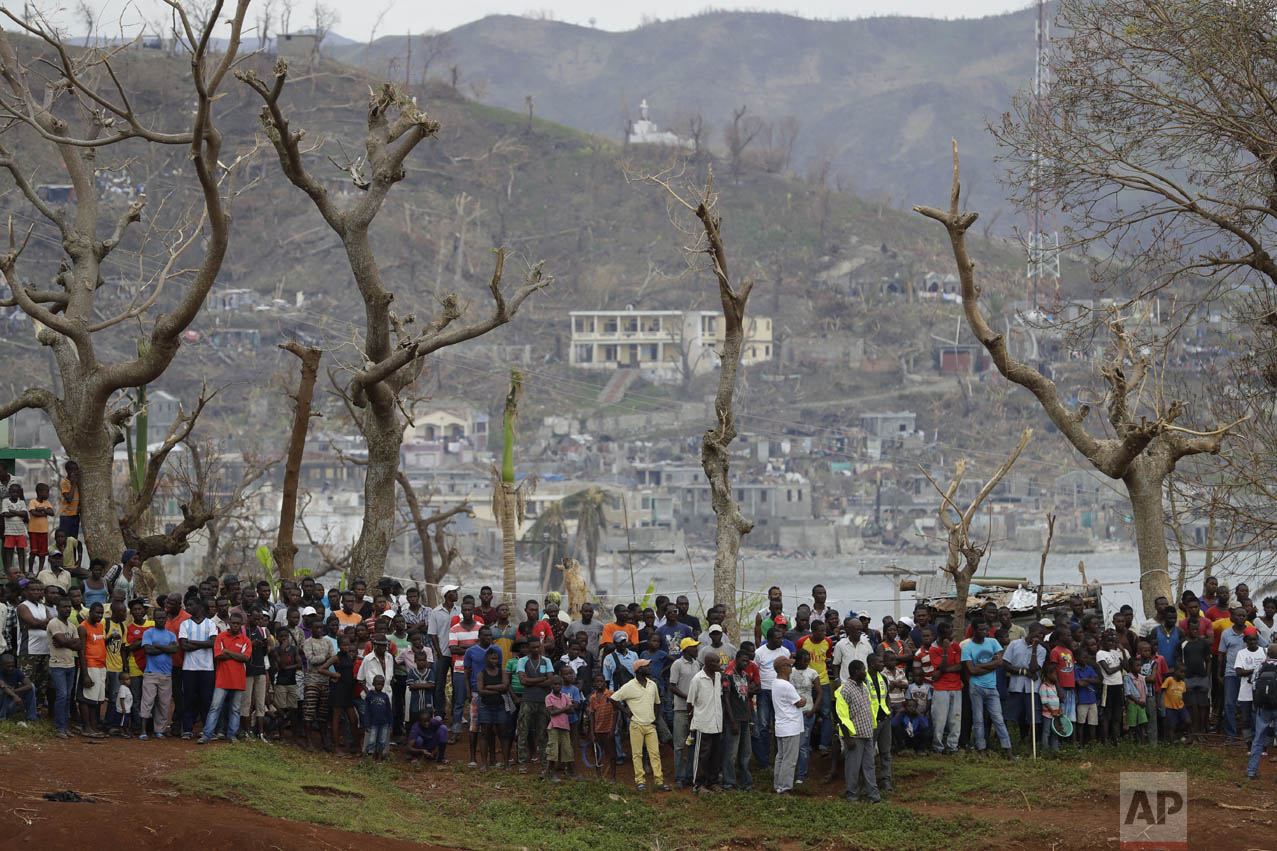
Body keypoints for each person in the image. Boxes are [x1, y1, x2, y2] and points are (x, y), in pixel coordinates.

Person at [611, 657, 668, 791]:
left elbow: (657, 703)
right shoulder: (630, 686)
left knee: (655, 753)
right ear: (638, 670)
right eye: (646, 666)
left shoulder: (652, 684)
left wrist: (655, 718)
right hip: (636, 725)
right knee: (637, 754)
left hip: (650, 725)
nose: (649, 668)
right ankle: (640, 781)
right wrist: (626, 712)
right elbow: (613, 699)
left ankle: (659, 781)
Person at [962, 620, 1013, 759]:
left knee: (998, 719)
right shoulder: (967, 648)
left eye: (986, 630)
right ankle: (981, 750)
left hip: (992, 687)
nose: (985, 632)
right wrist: (992, 664)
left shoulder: (993, 642)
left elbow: (1000, 662)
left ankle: (1008, 751)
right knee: (978, 720)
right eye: (982, 630)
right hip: (976, 687)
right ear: (974, 631)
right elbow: (971, 670)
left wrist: (980, 667)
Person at [198, 611, 251, 745]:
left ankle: (232, 735)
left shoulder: (245, 640)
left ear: (241, 625)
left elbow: (245, 658)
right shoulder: (221, 637)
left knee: (235, 709)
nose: (235, 626)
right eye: (233, 623)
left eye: (238, 624)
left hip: (238, 680)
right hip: (222, 679)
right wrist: (236, 655)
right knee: (215, 707)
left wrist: (227, 651)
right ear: (228, 623)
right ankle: (207, 735)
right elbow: (218, 656)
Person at [835, 659, 883, 804]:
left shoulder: (864, 686)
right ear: (857, 672)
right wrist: (847, 738)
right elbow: (842, 716)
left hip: (867, 732)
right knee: (853, 767)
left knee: (869, 766)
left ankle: (873, 797)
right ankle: (852, 796)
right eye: (863, 669)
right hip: (854, 736)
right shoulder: (845, 690)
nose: (866, 672)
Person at [752, 626, 794, 767]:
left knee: (779, 724)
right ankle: (764, 761)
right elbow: (755, 671)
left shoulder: (785, 652)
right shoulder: (759, 652)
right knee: (763, 725)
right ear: (769, 639)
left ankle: (778, 758)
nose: (781, 640)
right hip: (764, 691)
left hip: (780, 692)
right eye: (777, 638)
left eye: (782, 637)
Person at [177, 598, 217, 739]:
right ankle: (187, 729)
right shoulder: (185, 624)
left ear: (199, 606)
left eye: (190, 605)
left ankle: (207, 730)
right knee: (188, 700)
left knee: (206, 700)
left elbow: (213, 643)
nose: (188, 607)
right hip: (189, 668)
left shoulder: (210, 624)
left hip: (207, 668)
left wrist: (192, 642)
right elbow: (183, 646)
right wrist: (203, 643)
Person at [686, 652, 723, 793]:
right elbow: (690, 703)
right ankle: (698, 784)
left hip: (717, 723)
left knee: (715, 755)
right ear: (708, 664)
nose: (719, 665)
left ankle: (712, 782)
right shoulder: (697, 679)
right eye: (716, 662)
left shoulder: (718, 676)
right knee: (702, 755)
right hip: (703, 723)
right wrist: (692, 724)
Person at [516, 637, 554, 772]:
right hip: (527, 700)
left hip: (543, 701)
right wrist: (540, 679)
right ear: (528, 648)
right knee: (523, 731)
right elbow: (522, 681)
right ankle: (522, 764)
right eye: (533, 647)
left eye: (538, 647)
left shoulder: (546, 660)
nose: (536, 650)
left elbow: (550, 681)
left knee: (543, 733)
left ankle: (544, 764)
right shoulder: (522, 661)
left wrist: (531, 681)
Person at [139, 609, 177, 741]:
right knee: (147, 702)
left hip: (166, 674)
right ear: (154, 618)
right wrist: (165, 648)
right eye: (158, 618)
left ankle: (159, 730)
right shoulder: (148, 633)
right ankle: (143, 730)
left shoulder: (171, 635)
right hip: (151, 673)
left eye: (163, 618)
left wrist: (157, 646)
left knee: (164, 703)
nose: (160, 620)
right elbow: (148, 650)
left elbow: (174, 649)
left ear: (166, 618)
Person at [667, 635, 701, 788]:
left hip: (696, 710)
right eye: (694, 647)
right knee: (680, 745)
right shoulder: (677, 664)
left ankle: (690, 775)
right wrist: (688, 697)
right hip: (681, 709)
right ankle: (679, 777)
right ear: (687, 649)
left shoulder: (697, 665)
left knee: (693, 744)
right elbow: (672, 686)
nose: (697, 649)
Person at [722, 648, 757, 792]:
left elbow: (747, 700)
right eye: (743, 660)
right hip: (733, 720)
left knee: (746, 752)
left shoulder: (745, 676)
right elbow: (726, 699)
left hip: (745, 718)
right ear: (736, 660)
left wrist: (750, 721)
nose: (745, 663)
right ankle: (729, 783)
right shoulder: (727, 676)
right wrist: (732, 720)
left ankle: (746, 783)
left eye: (747, 661)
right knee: (731, 753)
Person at [770, 655, 805, 795]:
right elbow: (800, 702)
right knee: (789, 760)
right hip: (791, 726)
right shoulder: (786, 685)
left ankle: (778, 785)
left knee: (781, 757)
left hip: (782, 725)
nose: (791, 668)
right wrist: (803, 699)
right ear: (783, 668)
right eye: (789, 665)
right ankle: (785, 788)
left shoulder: (775, 683)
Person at [47, 597, 78, 739]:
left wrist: (65, 642)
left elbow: (79, 645)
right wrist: (68, 642)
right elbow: (64, 641)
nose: (67, 609)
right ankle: (60, 727)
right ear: (57, 608)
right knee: (62, 696)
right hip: (57, 665)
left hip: (70, 664)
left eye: (69, 606)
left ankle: (64, 726)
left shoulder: (71, 626)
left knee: (67, 698)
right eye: (64, 607)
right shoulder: (54, 623)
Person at [76, 601, 107, 738]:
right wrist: (85, 674)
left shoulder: (100, 626)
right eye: (97, 612)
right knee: (86, 699)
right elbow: (81, 651)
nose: (99, 615)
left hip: (101, 666)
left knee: (96, 700)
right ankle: (86, 727)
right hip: (90, 665)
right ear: (90, 613)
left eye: (101, 613)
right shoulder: (83, 627)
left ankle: (94, 727)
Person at [791, 647, 821, 783]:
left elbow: (819, 692)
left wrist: (814, 709)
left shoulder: (812, 673)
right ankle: (790, 771)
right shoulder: (790, 672)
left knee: (803, 745)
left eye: (808, 661)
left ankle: (801, 775)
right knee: (791, 744)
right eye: (804, 661)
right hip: (792, 713)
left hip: (807, 712)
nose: (807, 663)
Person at [475, 647, 509, 770]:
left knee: (503, 734)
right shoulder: (481, 673)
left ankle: (506, 763)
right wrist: (497, 690)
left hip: (500, 707)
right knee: (485, 733)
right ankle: (484, 763)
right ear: (486, 659)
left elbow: (505, 686)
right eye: (492, 658)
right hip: (486, 707)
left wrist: (489, 687)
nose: (494, 661)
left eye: (496, 658)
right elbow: (480, 691)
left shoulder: (503, 672)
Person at [1247, 645, 1277, 779]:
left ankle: (1251, 771)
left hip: (1263, 707)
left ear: (1267, 654)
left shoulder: (1260, 666)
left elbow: (1253, 684)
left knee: (1258, 739)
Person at [241, 610, 272, 741]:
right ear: (249, 616)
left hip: (260, 669)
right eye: (256, 619)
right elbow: (239, 648)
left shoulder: (262, 630)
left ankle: (260, 733)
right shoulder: (242, 630)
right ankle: (246, 731)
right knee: (246, 702)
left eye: (260, 619)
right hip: (247, 670)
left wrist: (265, 645)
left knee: (260, 701)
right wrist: (250, 644)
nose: (258, 622)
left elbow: (267, 650)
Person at [1180, 619, 1211, 742]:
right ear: (1188, 629)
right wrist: (1182, 676)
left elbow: (1208, 660)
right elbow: (1179, 661)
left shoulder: (1204, 643)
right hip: (1188, 679)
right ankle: (1191, 732)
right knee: (1190, 706)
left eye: (1197, 629)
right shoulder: (1182, 644)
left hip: (1202, 678)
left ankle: (1202, 731)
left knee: (1203, 705)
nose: (1195, 631)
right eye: (1192, 629)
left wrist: (1207, 676)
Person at [271, 625, 303, 744]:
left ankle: (294, 736)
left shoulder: (294, 649)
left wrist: (287, 667)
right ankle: (281, 735)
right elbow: (282, 665)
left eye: (286, 636)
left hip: (292, 683)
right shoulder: (276, 651)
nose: (284, 639)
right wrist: (284, 652)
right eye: (281, 637)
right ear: (277, 638)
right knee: (281, 710)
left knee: (293, 710)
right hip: (280, 683)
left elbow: (299, 665)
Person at [1235, 627, 1267, 743]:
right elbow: (1238, 672)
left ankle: (1260, 742)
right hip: (1246, 693)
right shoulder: (1241, 653)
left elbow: (1269, 670)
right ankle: (1249, 742)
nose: (1253, 642)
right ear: (1245, 641)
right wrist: (1256, 670)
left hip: (1261, 693)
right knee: (1246, 719)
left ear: (1258, 639)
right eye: (1250, 640)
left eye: (1254, 640)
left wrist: (1249, 671)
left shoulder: (1264, 651)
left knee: (1260, 718)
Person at [1096, 630, 1127, 744]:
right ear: (1103, 641)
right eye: (1108, 641)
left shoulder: (1115, 652)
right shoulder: (1100, 653)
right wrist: (1120, 666)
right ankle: (1105, 739)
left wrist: (1122, 651)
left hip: (1119, 686)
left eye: (1112, 641)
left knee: (1117, 714)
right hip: (1108, 686)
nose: (1111, 643)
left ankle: (1116, 739)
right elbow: (1108, 671)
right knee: (1107, 714)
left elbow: (1126, 666)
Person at [544, 673, 575, 781]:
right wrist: (565, 708)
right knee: (553, 751)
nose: (557, 686)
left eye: (559, 684)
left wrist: (559, 709)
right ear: (551, 685)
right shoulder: (549, 697)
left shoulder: (565, 696)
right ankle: (551, 774)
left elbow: (571, 710)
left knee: (567, 750)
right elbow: (552, 713)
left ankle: (569, 772)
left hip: (565, 727)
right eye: (555, 684)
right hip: (554, 727)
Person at [587, 672, 617, 782]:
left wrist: (613, 729)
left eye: (602, 681)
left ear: (605, 683)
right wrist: (592, 732)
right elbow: (591, 714)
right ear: (594, 684)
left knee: (612, 754)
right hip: (598, 730)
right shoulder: (592, 698)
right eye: (597, 681)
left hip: (608, 729)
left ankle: (613, 776)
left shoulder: (611, 694)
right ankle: (598, 776)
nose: (599, 683)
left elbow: (616, 712)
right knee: (597, 754)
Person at [0, 651, 37, 722]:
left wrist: (15, 691)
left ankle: (31, 717)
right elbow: (2, 686)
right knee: (3, 690)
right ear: (1, 665)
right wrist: (14, 695)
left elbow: (29, 685)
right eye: (8, 666)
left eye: (12, 666)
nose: (10, 668)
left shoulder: (16, 671)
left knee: (32, 686)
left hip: (12, 702)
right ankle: (2, 717)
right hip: (2, 703)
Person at [26, 483, 54, 575]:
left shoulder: (47, 503)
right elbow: (33, 512)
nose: (48, 495)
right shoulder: (32, 502)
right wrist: (44, 513)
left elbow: (52, 512)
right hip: (33, 531)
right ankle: (30, 571)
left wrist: (42, 509)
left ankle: (40, 571)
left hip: (44, 531)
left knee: (43, 553)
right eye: (47, 492)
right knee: (33, 552)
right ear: (39, 492)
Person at [2, 483, 29, 575]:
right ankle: (10, 571)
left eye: (17, 492)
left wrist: (12, 511)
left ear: (19, 493)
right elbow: (5, 514)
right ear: (9, 492)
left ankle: (22, 571)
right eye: (13, 492)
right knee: (9, 552)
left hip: (21, 531)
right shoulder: (5, 501)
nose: (15, 494)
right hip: (9, 531)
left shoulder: (21, 502)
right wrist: (19, 513)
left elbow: (25, 514)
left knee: (21, 552)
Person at [364, 674, 393, 760]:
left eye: (381, 684)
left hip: (384, 723)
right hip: (373, 723)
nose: (379, 686)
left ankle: (379, 757)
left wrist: (391, 724)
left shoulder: (385, 696)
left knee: (382, 741)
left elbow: (389, 711)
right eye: (377, 684)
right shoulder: (370, 696)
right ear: (373, 684)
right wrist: (366, 724)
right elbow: (367, 711)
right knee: (371, 741)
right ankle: (366, 756)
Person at [1161, 662, 1189, 744]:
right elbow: (1161, 690)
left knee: (1188, 721)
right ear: (1176, 671)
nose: (1183, 674)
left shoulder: (1183, 683)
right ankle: (1172, 743)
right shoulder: (1169, 680)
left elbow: (1183, 695)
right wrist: (1159, 702)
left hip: (1180, 706)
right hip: (1170, 707)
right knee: (1171, 725)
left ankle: (1178, 732)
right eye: (1181, 672)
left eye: (1184, 672)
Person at [57, 462, 80, 540]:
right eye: (73, 470)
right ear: (67, 471)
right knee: (65, 540)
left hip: (75, 516)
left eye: (77, 470)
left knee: (73, 540)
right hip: (66, 517)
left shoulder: (77, 483)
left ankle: (73, 553)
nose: (76, 472)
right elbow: (69, 499)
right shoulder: (64, 483)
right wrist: (73, 485)